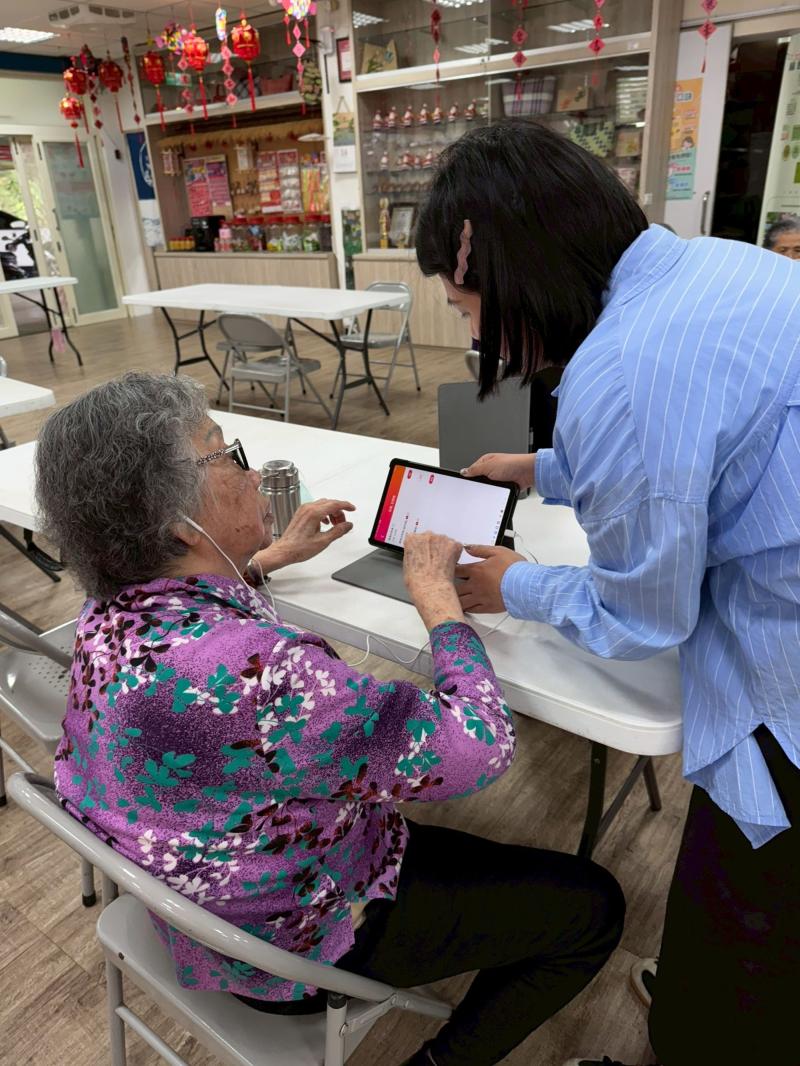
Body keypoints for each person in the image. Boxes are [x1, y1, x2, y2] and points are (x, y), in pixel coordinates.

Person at [37, 372, 624, 1066]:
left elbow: (200, 648)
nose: (253, 473)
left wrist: (260, 560)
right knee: (594, 907)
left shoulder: (106, 617)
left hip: (194, 913)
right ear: (178, 524)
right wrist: (439, 601)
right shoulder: (271, 675)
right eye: (227, 454)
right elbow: (479, 748)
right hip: (296, 944)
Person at [415, 119, 800, 1066]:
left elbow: (644, 614)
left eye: (466, 307)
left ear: (513, 273)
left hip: (783, 683)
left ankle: (712, 1030)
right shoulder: (712, 265)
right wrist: (545, 466)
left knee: (751, 904)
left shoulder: (619, 373)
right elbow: (700, 447)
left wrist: (516, 584)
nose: (475, 334)